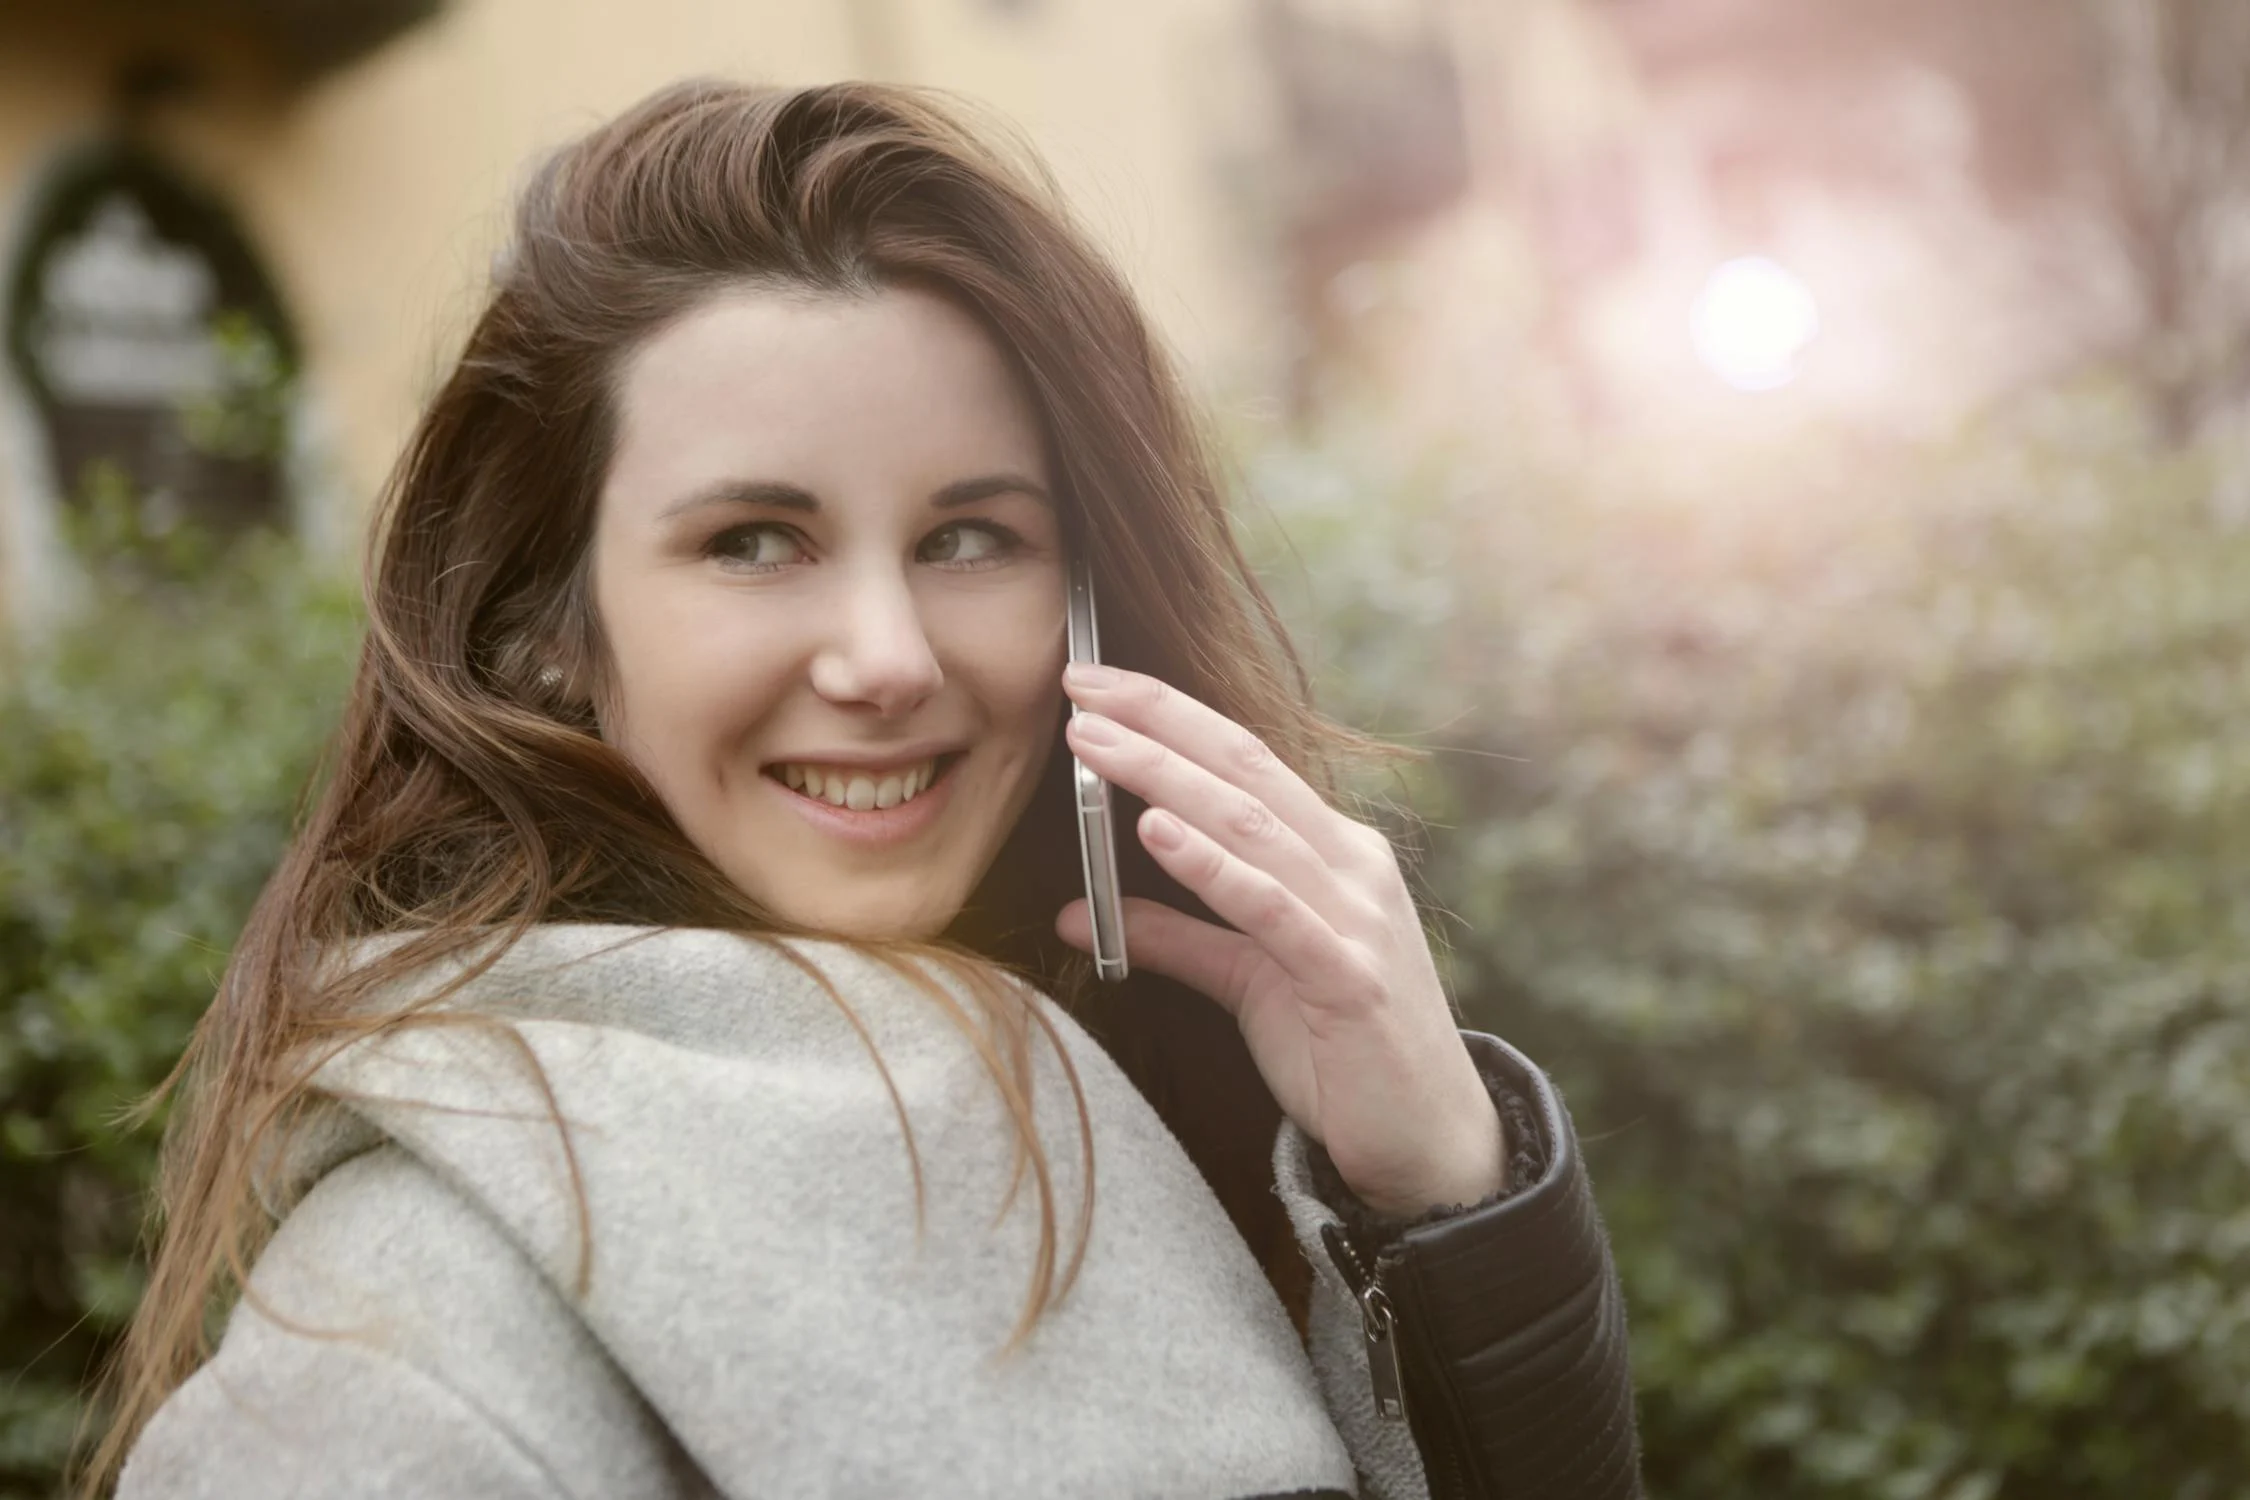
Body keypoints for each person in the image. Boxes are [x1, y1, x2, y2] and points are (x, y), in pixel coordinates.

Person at [87, 79, 1640, 1499]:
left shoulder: (1170, 1116)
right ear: (546, 627)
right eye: (753, 542)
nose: (887, 658)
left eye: (971, 538)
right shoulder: (411, 1361)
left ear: (1083, 605)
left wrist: (1448, 1196)